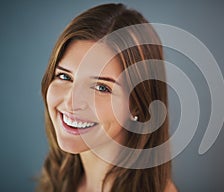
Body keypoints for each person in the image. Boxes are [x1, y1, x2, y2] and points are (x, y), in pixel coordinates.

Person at [38, 3, 177, 192]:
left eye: (101, 87)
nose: (72, 101)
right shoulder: (59, 180)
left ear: (137, 105)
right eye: (64, 76)